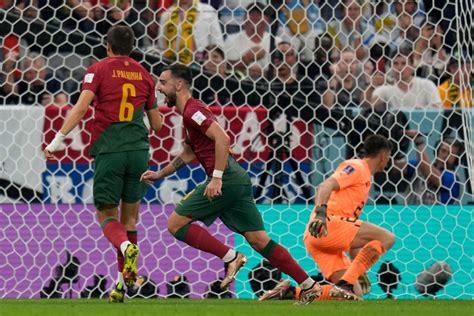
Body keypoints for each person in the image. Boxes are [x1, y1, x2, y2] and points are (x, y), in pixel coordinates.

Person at [140, 63, 322, 305]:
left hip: (225, 178)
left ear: (179, 84)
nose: (159, 88)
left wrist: (216, 177)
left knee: (175, 224)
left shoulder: (194, 110)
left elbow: (223, 138)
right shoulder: (190, 113)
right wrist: (160, 174)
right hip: (234, 177)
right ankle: (310, 286)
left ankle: (230, 257)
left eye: (163, 82)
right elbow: (188, 152)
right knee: (259, 240)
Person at [43, 25, 162, 303]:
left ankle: (124, 247)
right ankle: (122, 286)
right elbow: (156, 124)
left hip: (110, 150)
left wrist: (56, 141)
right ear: (133, 47)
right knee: (130, 219)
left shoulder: (98, 69)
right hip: (139, 150)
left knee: (107, 215)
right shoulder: (145, 74)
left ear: (107, 45)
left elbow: (82, 107)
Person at [261, 135, 395, 301]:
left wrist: (359, 269)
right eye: (388, 157)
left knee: (354, 295)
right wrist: (321, 214)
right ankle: (346, 283)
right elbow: (325, 185)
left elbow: (353, 239)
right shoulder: (357, 167)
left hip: (321, 237)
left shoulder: (365, 177)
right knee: (387, 238)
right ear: (383, 156)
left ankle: (290, 292)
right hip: (328, 225)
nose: (388, 162)